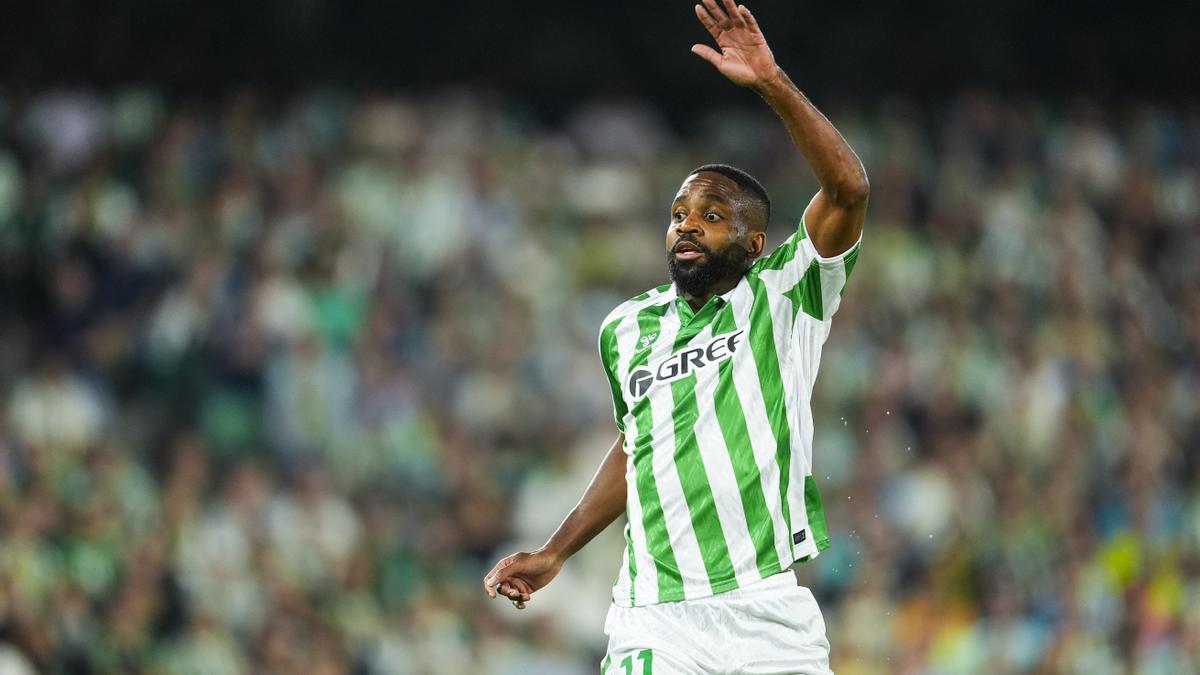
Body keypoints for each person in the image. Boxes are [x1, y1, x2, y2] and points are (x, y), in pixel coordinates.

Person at [484, 1, 868, 672]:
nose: (686, 225)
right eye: (678, 214)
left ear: (753, 241)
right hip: (656, 614)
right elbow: (639, 446)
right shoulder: (626, 329)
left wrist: (774, 84)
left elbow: (848, 191)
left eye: (711, 215)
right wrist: (557, 549)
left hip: (768, 611)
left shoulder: (785, 291)